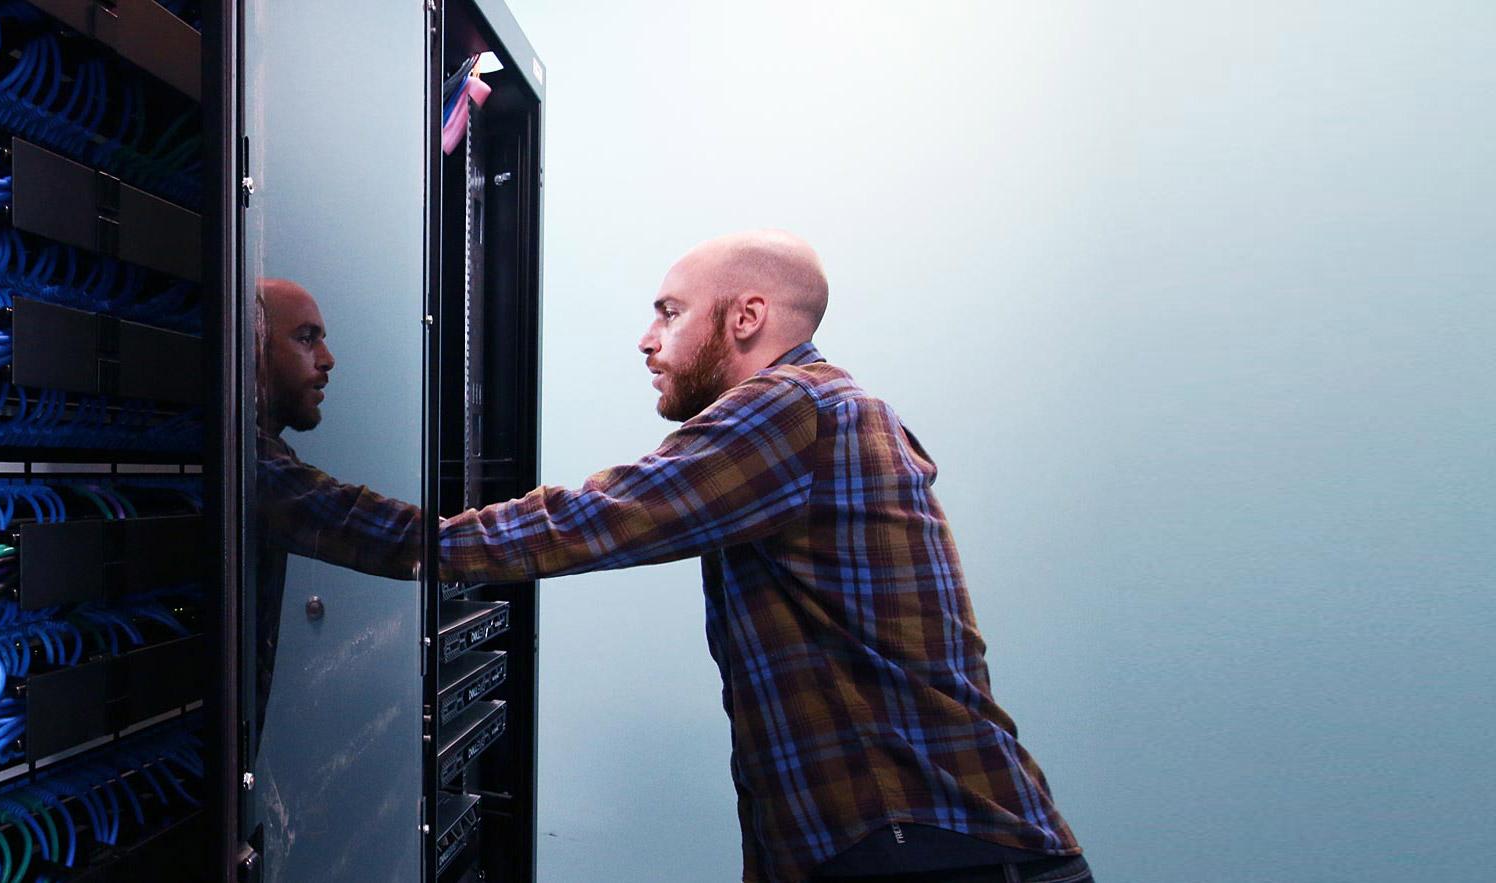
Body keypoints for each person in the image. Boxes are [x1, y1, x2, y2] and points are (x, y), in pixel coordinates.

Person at [435, 231, 1089, 883]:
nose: (646, 338)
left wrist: (390, 534)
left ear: (746, 317)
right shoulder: (821, 415)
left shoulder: (795, 406)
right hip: (928, 851)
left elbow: (594, 517)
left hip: (936, 854)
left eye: (669, 312)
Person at [251, 277, 419, 750]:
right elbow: (362, 525)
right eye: (307, 338)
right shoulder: (251, 467)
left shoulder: (268, 455)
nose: (327, 359)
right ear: (250, 348)